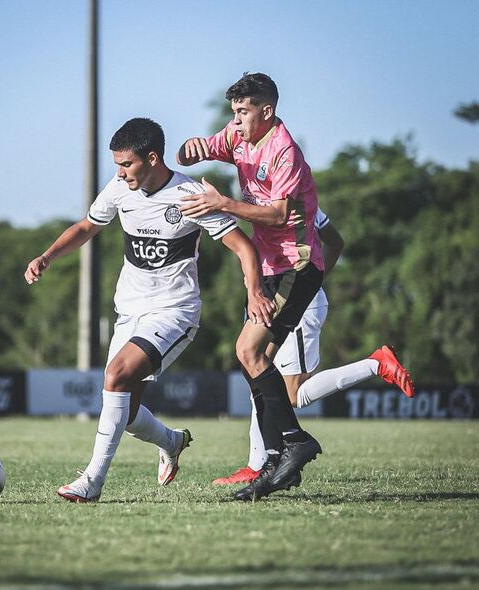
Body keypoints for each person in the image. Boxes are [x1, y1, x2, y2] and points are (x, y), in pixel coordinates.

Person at [177, 73, 414, 501]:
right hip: (272, 268)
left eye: (244, 112)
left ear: (266, 112)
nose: (236, 120)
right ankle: (274, 459)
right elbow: (204, 149)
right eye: (234, 112)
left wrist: (224, 204)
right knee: (258, 359)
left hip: (297, 265)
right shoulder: (237, 134)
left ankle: (290, 444)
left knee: (251, 353)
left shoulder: (284, 151)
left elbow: (282, 215)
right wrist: (189, 149)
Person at [24, 117, 274, 503]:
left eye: (127, 164)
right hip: (130, 311)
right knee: (125, 407)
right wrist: (47, 256)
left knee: (116, 374)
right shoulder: (120, 189)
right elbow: (87, 226)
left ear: (152, 158)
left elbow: (243, 247)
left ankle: (92, 481)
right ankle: (172, 441)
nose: (120, 173)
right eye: (117, 165)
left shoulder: (188, 195)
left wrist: (254, 290)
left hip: (175, 311)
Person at [212, 208, 415, 485]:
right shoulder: (258, 196)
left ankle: (376, 363)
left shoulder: (295, 203)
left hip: (296, 303)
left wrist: (310, 284)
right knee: (257, 376)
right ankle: (259, 464)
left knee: (292, 395)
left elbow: (335, 242)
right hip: (271, 298)